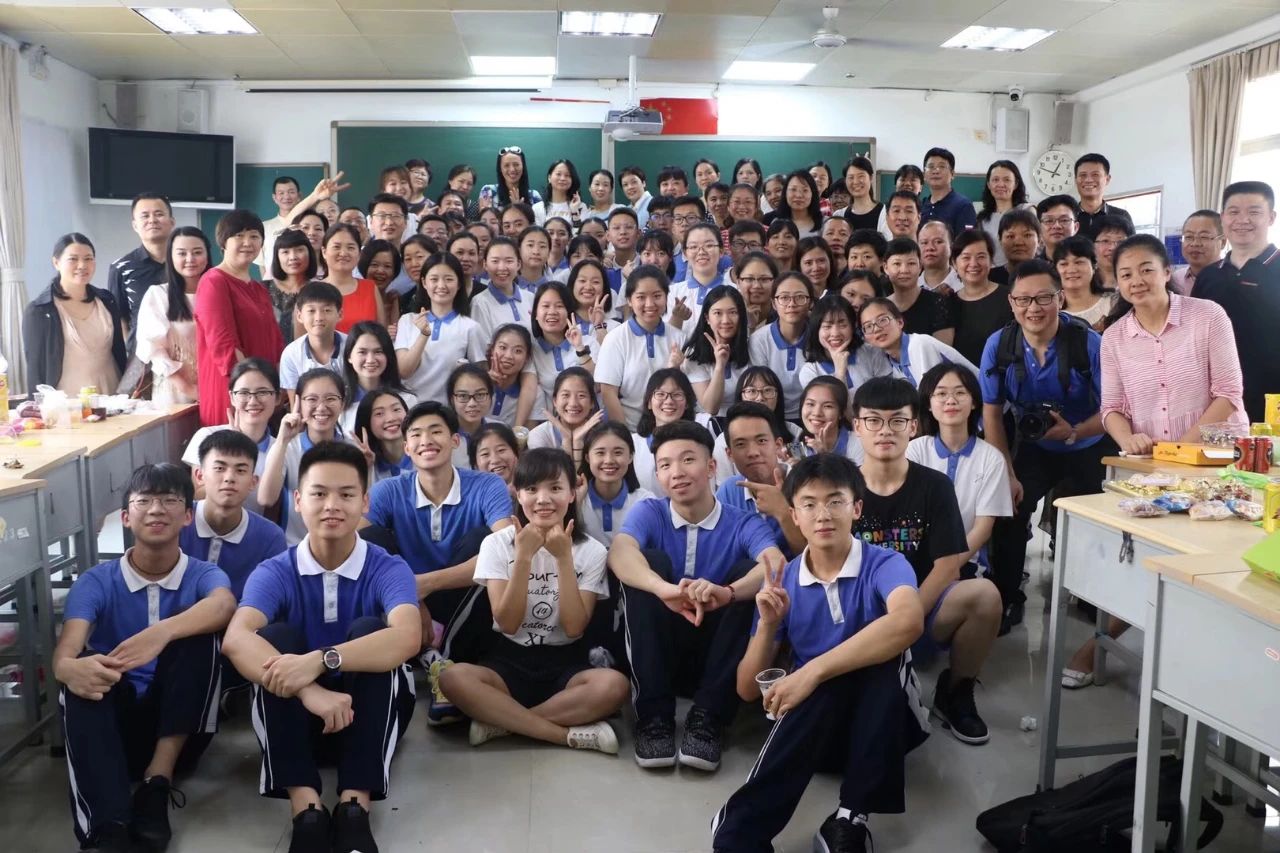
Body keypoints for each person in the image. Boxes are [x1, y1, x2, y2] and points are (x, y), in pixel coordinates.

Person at [710, 453, 925, 853]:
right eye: (809, 504)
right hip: (816, 736)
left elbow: (909, 621)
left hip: (889, 728)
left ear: (856, 508)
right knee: (821, 683)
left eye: (835, 501)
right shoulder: (785, 580)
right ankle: (739, 832)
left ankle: (850, 819)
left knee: (880, 657)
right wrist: (769, 625)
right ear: (793, 515)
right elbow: (746, 689)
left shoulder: (885, 564)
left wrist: (812, 671)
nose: (823, 514)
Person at [1057, 236, 1247, 689]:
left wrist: (1179, 452)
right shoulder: (1115, 337)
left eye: (1146, 269)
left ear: (1167, 272)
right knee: (1141, 562)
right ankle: (1106, 645)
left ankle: (1211, 671)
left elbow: (1228, 393)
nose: (1136, 280)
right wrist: (1128, 438)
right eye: (1125, 274)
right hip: (1149, 471)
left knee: (1213, 568)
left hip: (1216, 465)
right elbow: (1112, 408)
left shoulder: (1207, 316)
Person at [222, 442, 419, 853]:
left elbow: (407, 636)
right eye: (319, 493)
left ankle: (354, 805)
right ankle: (306, 807)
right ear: (298, 501)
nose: (332, 505)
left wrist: (322, 661)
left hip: (368, 713)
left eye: (346, 494)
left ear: (364, 502)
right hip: (297, 715)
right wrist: (309, 689)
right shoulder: (276, 570)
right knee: (276, 639)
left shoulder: (387, 566)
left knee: (371, 630)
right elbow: (236, 639)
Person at [55, 464, 235, 853]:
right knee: (85, 670)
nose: (156, 510)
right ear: (125, 517)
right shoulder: (96, 581)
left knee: (200, 638)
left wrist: (162, 632)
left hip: (181, 732)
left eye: (169, 500)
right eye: (144, 501)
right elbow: (65, 655)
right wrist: (71, 669)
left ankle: (157, 784)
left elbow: (224, 605)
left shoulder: (203, 574)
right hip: (112, 732)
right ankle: (109, 823)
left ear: (187, 516)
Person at [609, 421, 786, 771]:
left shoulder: (742, 522)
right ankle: (653, 717)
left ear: (711, 466)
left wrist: (728, 592)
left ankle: (709, 718)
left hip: (717, 655)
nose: (676, 472)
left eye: (688, 460)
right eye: (665, 464)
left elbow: (775, 562)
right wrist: (664, 589)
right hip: (659, 650)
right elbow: (620, 551)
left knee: (746, 575)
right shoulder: (651, 511)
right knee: (648, 564)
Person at [438, 448, 627, 753]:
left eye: (555, 488)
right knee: (452, 679)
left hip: (567, 663)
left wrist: (564, 559)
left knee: (614, 686)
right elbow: (508, 624)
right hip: (506, 661)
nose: (543, 499)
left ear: (572, 493)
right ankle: (562, 735)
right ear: (517, 493)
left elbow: (574, 627)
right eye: (531, 489)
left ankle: (502, 722)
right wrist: (524, 556)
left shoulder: (591, 550)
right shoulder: (496, 544)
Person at [852, 376, 998, 744]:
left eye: (897, 420)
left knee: (985, 596)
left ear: (914, 426)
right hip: (858, 615)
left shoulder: (935, 486)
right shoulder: (842, 486)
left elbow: (947, 566)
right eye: (873, 420)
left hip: (922, 608)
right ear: (857, 427)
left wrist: (904, 618)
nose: (885, 430)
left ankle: (955, 690)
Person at [982, 260, 1113, 632]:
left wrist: (1074, 431)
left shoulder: (1088, 344)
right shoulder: (1000, 345)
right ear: (1011, 302)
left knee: (1093, 522)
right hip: (1034, 445)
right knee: (1009, 509)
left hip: (1088, 442)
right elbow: (992, 413)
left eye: (1043, 298)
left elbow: (1113, 409)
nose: (1033, 308)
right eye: (1023, 299)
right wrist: (1006, 473)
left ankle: (1091, 595)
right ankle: (1006, 596)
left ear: (1060, 298)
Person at [363, 401, 514, 720]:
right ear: (407, 448)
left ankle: (438, 660)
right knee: (370, 539)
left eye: (435, 431)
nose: (426, 440)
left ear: (455, 440)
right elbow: (356, 548)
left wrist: (424, 584)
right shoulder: (388, 491)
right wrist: (410, 597)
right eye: (416, 434)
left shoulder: (487, 485)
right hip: (404, 605)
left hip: (462, 595)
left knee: (485, 541)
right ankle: (436, 660)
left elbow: (508, 549)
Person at [908, 364, 1011, 583]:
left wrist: (947, 569)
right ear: (928, 404)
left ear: (974, 402)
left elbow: (983, 529)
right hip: (915, 560)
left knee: (984, 595)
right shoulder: (914, 450)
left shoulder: (991, 458)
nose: (951, 400)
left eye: (960, 392)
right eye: (941, 394)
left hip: (965, 564)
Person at [1194, 180, 1280, 422]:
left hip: (1272, 402)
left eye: (1254, 212)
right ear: (1222, 218)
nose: (1242, 220)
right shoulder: (1209, 276)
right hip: (1216, 405)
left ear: (1271, 217)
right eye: (1233, 212)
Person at [194, 210, 285, 427]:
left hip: (262, 393)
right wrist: (250, 391)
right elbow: (223, 344)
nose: (248, 242)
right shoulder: (214, 281)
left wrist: (276, 386)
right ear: (223, 242)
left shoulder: (258, 288)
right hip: (233, 390)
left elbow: (275, 342)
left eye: (254, 236)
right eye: (239, 236)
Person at [180, 430, 288, 601]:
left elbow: (271, 600)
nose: (229, 478)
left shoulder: (270, 537)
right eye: (219, 468)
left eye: (240, 470)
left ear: (253, 482)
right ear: (199, 475)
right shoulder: (175, 521)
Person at [25, 232, 126, 395]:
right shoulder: (40, 311)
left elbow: (119, 351)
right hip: (67, 400)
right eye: (73, 259)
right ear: (56, 262)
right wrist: (37, 407)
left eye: (88, 258)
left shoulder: (107, 301)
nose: (82, 265)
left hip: (111, 394)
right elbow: (35, 370)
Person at [259, 369, 348, 545]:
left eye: (330, 399)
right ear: (298, 403)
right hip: (294, 546)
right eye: (312, 399)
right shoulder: (287, 447)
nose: (321, 407)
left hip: (342, 546)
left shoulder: (354, 448)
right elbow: (266, 499)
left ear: (343, 403)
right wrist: (282, 441)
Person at [182, 358, 280, 515]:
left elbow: (272, 509)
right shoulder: (207, 436)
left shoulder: (280, 449)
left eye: (262, 392)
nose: (253, 401)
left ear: (278, 398)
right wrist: (233, 449)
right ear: (232, 397)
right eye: (243, 393)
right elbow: (197, 496)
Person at [596, 265, 688, 430]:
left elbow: (686, 391)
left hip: (672, 430)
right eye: (641, 297)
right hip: (631, 429)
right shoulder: (615, 339)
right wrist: (625, 437)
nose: (650, 304)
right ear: (629, 300)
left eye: (657, 296)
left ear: (666, 296)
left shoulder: (679, 337)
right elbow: (609, 393)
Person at [714, 401, 804, 556]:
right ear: (730, 454)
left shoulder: (807, 485)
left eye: (761, 441)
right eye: (740, 444)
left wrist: (783, 512)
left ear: (778, 445)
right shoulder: (729, 491)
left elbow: (817, 559)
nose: (753, 452)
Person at [133, 227, 208, 405]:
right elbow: (154, 350)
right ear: (171, 257)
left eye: (197, 252)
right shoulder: (158, 295)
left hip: (213, 386)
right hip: (174, 392)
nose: (190, 259)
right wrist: (188, 388)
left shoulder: (218, 293)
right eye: (181, 253)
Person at [631, 368, 716, 496]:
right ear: (649, 402)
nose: (669, 401)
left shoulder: (700, 440)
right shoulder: (634, 444)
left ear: (687, 403)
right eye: (660, 394)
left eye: (677, 395)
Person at [108, 192, 174, 354]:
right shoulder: (121, 268)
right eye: (145, 216)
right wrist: (132, 352)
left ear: (172, 222)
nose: (152, 220)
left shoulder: (187, 263)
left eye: (159, 214)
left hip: (186, 354)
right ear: (135, 225)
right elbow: (119, 318)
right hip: (143, 358)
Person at [858, 297, 977, 388]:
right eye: (868, 326)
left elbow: (929, 394)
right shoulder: (892, 364)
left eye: (882, 320)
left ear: (900, 322)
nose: (876, 329)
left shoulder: (919, 344)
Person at [749, 271, 814, 420]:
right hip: (771, 417)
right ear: (774, 303)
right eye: (784, 298)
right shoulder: (759, 339)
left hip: (811, 417)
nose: (791, 304)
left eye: (800, 297)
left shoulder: (820, 337)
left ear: (810, 302)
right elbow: (761, 388)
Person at [255, 173, 349, 275]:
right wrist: (315, 196)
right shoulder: (265, 227)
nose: (311, 233)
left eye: (318, 229)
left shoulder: (330, 266)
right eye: (305, 228)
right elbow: (262, 265)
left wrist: (315, 196)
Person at [578, 421, 655, 547]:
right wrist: (575, 504)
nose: (609, 460)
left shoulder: (646, 502)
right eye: (600, 453)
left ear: (630, 457)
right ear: (587, 458)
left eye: (618, 452)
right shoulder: (575, 499)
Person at [799, 294, 890, 394]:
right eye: (827, 326)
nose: (835, 333)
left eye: (843, 325)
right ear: (816, 330)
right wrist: (840, 373)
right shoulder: (810, 371)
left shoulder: (872, 352)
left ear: (853, 327)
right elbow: (834, 404)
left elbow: (886, 396)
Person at [683, 284, 751, 417]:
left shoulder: (751, 346)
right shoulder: (694, 353)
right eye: (718, 313)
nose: (726, 320)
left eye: (733, 312)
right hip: (709, 424)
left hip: (745, 419)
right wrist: (720, 365)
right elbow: (710, 408)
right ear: (707, 318)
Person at [530, 281, 595, 419]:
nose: (552, 312)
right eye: (545, 306)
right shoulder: (531, 350)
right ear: (535, 313)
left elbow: (598, 386)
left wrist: (580, 348)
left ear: (569, 313)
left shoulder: (588, 341)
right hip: (549, 423)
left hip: (588, 419)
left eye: (559, 306)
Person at [948, 230, 1014, 366]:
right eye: (966, 257)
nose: (973, 263)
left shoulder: (1010, 298)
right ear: (954, 263)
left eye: (981, 256)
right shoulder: (949, 303)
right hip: (962, 377)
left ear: (991, 261)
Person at [339, 321, 412, 434]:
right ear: (349, 356)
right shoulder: (339, 403)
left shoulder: (407, 400)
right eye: (362, 352)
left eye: (378, 352)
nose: (370, 360)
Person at [279, 282, 346, 403]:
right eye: (311, 310)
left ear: (340, 314)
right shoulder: (291, 354)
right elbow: (295, 404)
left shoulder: (353, 347)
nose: (319, 317)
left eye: (327, 310)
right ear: (299, 316)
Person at [885, 237, 955, 344]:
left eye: (911, 263)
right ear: (886, 268)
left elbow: (942, 350)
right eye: (897, 264)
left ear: (920, 266)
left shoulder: (939, 303)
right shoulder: (880, 307)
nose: (904, 270)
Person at [527, 366, 603, 463]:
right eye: (566, 395)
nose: (573, 403)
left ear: (592, 402)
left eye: (581, 396)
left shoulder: (603, 435)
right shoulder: (539, 435)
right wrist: (567, 441)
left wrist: (577, 441)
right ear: (555, 401)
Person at [320, 225, 383, 334]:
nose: (343, 253)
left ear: (359, 254)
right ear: (324, 252)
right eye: (336, 247)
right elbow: (300, 340)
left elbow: (382, 334)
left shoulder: (370, 288)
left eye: (350, 247)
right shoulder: (312, 291)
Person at [472, 237, 533, 343]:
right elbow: (480, 347)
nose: (502, 267)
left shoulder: (530, 298)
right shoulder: (480, 303)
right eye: (495, 261)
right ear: (485, 264)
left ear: (518, 264)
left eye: (509, 261)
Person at [668, 223, 728, 331]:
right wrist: (677, 318)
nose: (701, 252)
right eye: (693, 247)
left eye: (709, 245)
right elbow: (664, 337)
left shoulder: (734, 290)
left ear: (721, 251)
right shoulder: (672, 293)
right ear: (685, 253)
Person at [976, 160, 1033, 267]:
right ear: (989, 184)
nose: (1001, 184)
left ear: (1015, 184)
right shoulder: (982, 218)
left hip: (1022, 271)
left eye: (1007, 180)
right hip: (991, 273)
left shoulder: (1027, 210)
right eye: (995, 180)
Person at [352, 388, 415, 487]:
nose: (391, 418)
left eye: (396, 409)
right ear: (367, 422)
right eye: (379, 413)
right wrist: (366, 469)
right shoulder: (366, 461)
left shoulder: (423, 453)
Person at [795, 376, 864, 465]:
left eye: (827, 406)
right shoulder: (796, 445)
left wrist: (825, 457)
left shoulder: (859, 443)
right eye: (810, 404)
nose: (817, 413)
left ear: (841, 413)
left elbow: (856, 475)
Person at [484, 324, 539, 429]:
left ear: (527, 358)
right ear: (492, 349)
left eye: (518, 351)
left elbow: (526, 436)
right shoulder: (476, 384)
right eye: (503, 347)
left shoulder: (535, 394)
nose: (508, 356)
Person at [267, 229, 317, 345]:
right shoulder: (261, 289)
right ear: (277, 257)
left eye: (299, 250)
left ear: (310, 253)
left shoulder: (318, 291)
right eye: (285, 252)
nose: (293, 257)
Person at [1053, 236, 1113, 330]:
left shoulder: (1113, 302)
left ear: (1094, 266)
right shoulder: (1051, 312)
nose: (1072, 270)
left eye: (1079, 262)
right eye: (1064, 264)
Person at [447, 363, 497, 468]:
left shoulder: (500, 430)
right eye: (463, 396)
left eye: (480, 395)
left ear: (491, 396)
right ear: (452, 400)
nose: (472, 403)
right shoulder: (444, 437)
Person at [1074, 153, 1133, 239]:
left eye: (1095, 175)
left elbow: (1131, 246)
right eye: (1083, 175)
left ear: (1107, 179)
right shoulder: (1067, 218)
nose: (1088, 180)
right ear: (1075, 180)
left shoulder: (1121, 216)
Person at [920, 147, 976, 238]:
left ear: (952, 174)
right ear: (924, 175)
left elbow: (967, 242)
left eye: (942, 166)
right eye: (931, 167)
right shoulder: (921, 206)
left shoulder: (963, 206)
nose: (935, 171)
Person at [1173, 209, 1226, 295]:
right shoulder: (1175, 279)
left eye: (1204, 237)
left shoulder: (1233, 280)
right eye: (1189, 237)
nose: (1195, 243)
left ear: (1223, 242)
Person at [478, 146, 542, 210]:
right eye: (506, 165)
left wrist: (520, 209)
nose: (512, 170)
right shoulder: (488, 191)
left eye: (516, 164)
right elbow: (485, 216)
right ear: (500, 169)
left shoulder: (534, 197)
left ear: (523, 166)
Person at [763, 170, 822, 239]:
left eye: (805, 190)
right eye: (793, 189)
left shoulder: (825, 223)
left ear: (813, 194)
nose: (798, 195)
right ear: (785, 193)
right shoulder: (775, 223)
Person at [992, 207, 1041, 287]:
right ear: (1000, 240)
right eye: (1010, 236)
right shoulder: (989, 278)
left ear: (1039, 240)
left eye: (1027, 235)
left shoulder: (1051, 276)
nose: (1019, 243)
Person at [734, 250, 777, 333]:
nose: (756, 286)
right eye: (749, 279)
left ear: (775, 281)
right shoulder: (728, 316)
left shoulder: (784, 317)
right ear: (738, 282)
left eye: (764, 279)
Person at [1090, 214, 1135, 292]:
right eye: (1105, 241)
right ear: (1092, 246)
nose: (1113, 248)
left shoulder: (1137, 281)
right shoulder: (1084, 281)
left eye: (1120, 242)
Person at [839, 156, 882, 232]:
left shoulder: (884, 213)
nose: (855, 182)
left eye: (861, 176)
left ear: (871, 178)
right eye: (851, 177)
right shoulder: (840, 215)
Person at [917, 221, 962, 294]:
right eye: (924, 243)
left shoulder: (964, 286)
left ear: (951, 247)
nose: (930, 248)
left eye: (938, 242)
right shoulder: (909, 289)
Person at [1035, 194, 1080, 263]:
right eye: (1049, 221)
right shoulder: (1032, 267)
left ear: (1076, 227)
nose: (1056, 226)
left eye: (1064, 220)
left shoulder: (1086, 265)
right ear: (1039, 228)